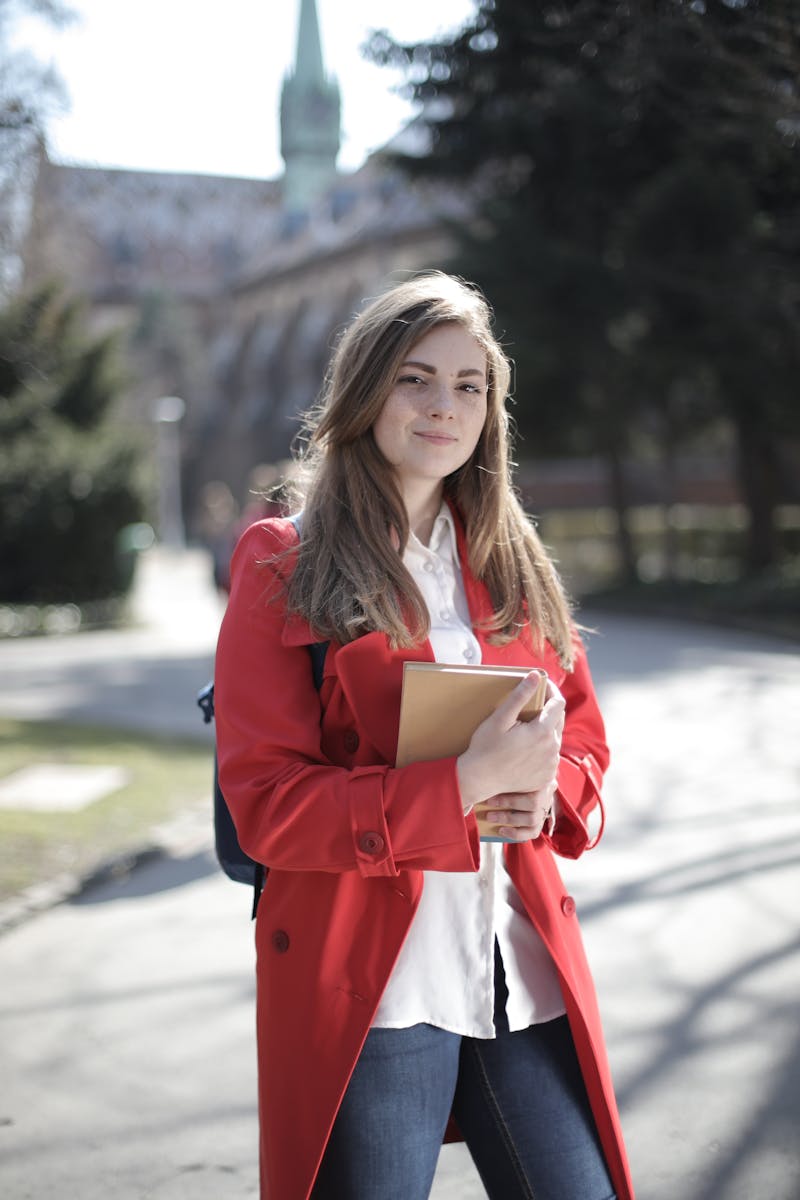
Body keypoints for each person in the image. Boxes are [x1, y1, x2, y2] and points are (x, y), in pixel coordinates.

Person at [214, 272, 635, 1200]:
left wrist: (547, 793)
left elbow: (587, 744)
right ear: (365, 393)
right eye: (416, 379)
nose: (445, 406)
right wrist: (457, 787)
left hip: (516, 968)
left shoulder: (508, 553)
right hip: (376, 987)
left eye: (469, 385)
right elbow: (267, 808)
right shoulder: (281, 558)